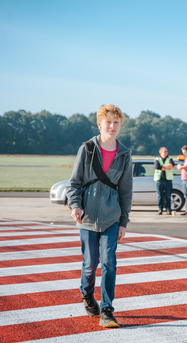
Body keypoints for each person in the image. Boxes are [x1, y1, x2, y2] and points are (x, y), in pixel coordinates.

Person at [66, 104, 133, 328]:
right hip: (86, 218)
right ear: (99, 124)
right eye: (108, 122)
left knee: (110, 263)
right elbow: (74, 183)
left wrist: (123, 221)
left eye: (116, 122)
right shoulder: (87, 149)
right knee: (89, 264)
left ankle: (107, 308)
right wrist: (75, 206)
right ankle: (86, 294)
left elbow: (125, 191)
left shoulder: (124, 154)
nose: (112, 126)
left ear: (121, 125)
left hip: (111, 218)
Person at [154, 147, 175, 215]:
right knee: (160, 196)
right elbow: (157, 167)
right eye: (164, 151)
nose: (166, 152)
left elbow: (171, 165)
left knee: (168, 196)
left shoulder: (170, 159)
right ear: (160, 152)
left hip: (168, 180)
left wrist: (162, 166)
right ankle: (160, 209)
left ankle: (168, 209)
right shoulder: (157, 159)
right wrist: (167, 166)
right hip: (159, 180)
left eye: (167, 151)